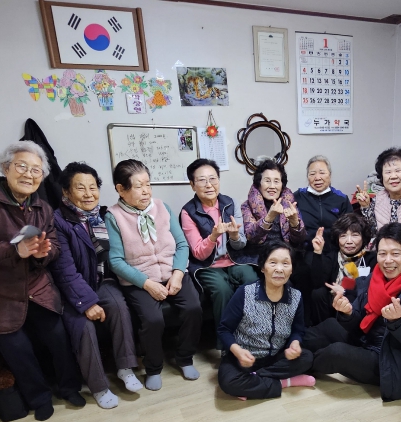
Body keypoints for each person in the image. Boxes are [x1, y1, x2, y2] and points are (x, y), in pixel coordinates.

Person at [0, 141, 84, 421]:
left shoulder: (42, 207)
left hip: (35, 286)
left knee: (58, 337)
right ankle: (39, 398)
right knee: (18, 350)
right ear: (6, 168)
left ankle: (69, 387)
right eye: (22, 167)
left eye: (36, 170)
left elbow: (54, 245)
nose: (29, 174)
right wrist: (15, 250)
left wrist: (43, 252)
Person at [303, 223, 401, 402]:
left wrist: (398, 322)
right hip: (368, 340)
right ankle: (285, 350)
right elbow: (357, 321)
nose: (387, 260)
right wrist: (347, 312)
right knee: (330, 325)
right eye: (382, 253)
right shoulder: (375, 277)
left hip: (392, 360)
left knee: (336, 353)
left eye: (395, 254)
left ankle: (296, 365)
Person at [50, 162, 143, 409]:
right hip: (71, 290)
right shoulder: (58, 221)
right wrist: (87, 303)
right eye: (80, 188)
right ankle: (99, 387)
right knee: (84, 327)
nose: (88, 194)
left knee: (119, 306)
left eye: (93, 187)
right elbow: (64, 270)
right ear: (66, 192)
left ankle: (125, 368)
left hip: (99, 280)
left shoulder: (102, 215)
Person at [105, 159, 202, 391]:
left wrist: (178, 274)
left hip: (172, 271)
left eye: (148, 184)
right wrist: (147, 284)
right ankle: (153, 367)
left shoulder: (162, 207)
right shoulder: (113, 216)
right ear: (121, 189)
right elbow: (115, 261)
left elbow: (182, 244)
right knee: (153, 320)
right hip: (139, 279)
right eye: (138, 186)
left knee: (193, 308)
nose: (146, 191)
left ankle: (185, 358)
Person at [217, 241, 315, 400]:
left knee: (307, 358)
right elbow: (224, 330)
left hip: (275, 356)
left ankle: (253, 382)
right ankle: (284, 382)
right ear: (263, 267)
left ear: (291, 269)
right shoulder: (245, 293)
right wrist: (238, 351)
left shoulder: (296, 297)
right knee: (228, 382)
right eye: (273, 263)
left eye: (285, 264)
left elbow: (298, 330)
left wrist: (295, 343)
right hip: (245, 357)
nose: (279, 269)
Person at [180, 158, 258, 333]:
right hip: (207, 265)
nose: (209, 185)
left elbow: (240, 245)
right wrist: (213, 236)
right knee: (222, 290)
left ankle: (253, 335)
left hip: (234, 260)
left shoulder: (231, 203)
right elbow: (199, 253)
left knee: (252, 281)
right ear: (192, 185)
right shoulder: (188, 212)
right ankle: (225, 341)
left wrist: (235, 235)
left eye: (213, 179)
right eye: (202, 180)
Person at [305, 213, 375, 326]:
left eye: (355, 235)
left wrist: (345, 292)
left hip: (358, 310)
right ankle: (322, 328)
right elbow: (317, 283)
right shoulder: (333, 256)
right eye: (343, 236)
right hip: (332, 309)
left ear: (363, 238)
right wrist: (317, 252)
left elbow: (371, 292)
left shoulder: (372, 259)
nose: (349, 241)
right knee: (318, 293)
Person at [353, 148, 401, 245]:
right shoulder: (378, 199)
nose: (393, 176)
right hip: (383, 251)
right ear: (382, 177)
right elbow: (372, 234)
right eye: (388, 172)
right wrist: (366, 206)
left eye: (398, 171)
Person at [241, 159, 306, 255]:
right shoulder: (247, 206)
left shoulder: (290, 204)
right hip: (259, 255)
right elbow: (251, 238)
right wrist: (269, 218)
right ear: (259, 184)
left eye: (276, 181)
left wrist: (294, 223)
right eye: (267, 181)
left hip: (287, 255)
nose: (272, 186)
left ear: (282, 185)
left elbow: (300, 240)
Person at [293, 155, 353, 252]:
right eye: (312, 174)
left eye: (322, 173)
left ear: (330, 175)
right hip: (304, 252)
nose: (317, 178)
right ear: (307, 177)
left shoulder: (341, 199)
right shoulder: (297, 197)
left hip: (334, 253)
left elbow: (350, 229)